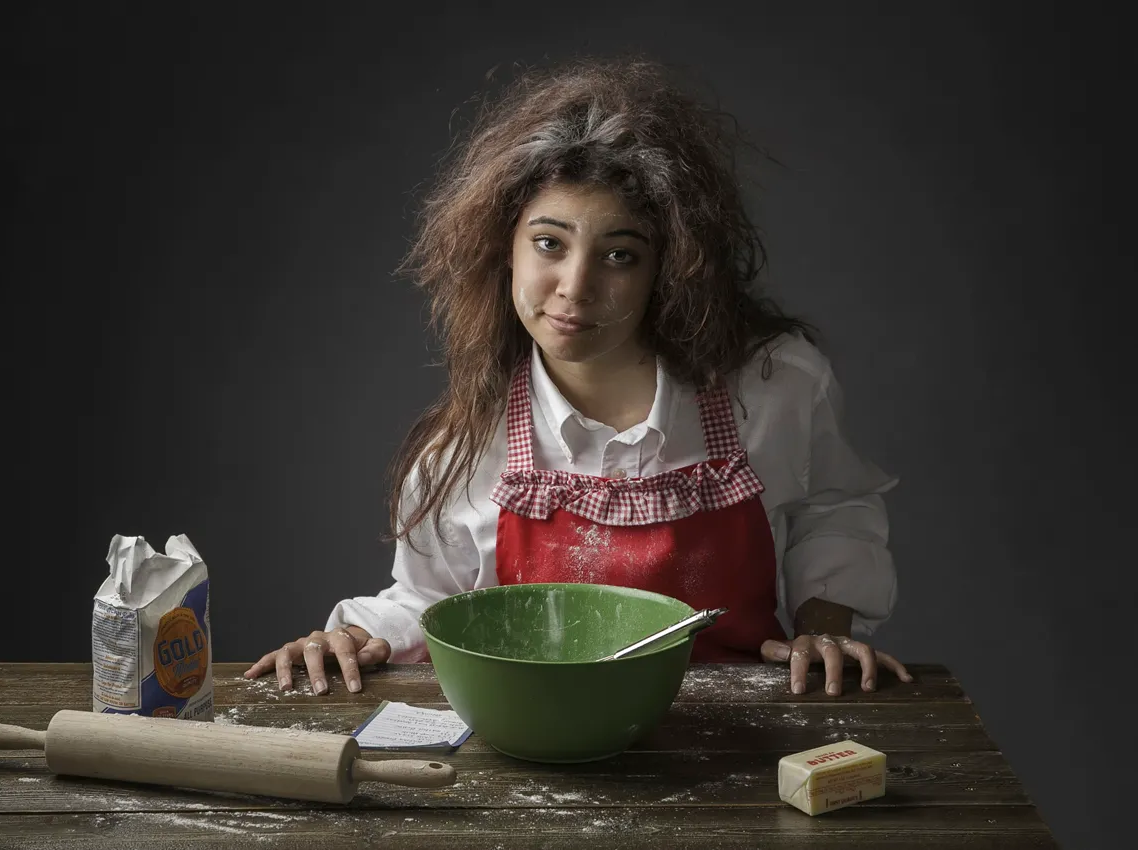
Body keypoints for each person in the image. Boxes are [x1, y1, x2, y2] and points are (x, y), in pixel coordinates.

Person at [245, 54, 912, 699]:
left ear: (670, 269)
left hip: (744, 743)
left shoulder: (775, 386)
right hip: (548, 753)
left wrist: (824, 630)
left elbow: (834, 506)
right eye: (549, 243)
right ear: (502, 248)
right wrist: (350, 637)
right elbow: (427, 605)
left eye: (620, 255)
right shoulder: (466, 449)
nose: (575, 287)